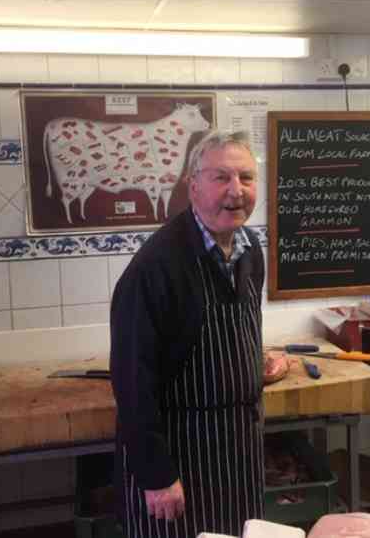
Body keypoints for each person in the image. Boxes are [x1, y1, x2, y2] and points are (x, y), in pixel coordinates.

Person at [110, 129, 265, 538]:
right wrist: (156, 474)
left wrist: (253, 364)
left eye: (246, 178)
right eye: (221, 178)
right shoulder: (155, 267)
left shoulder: (250, 251)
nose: (236, 191)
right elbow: (131, 381)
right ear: (192, 185)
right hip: (180, 456)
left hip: (237, 455)